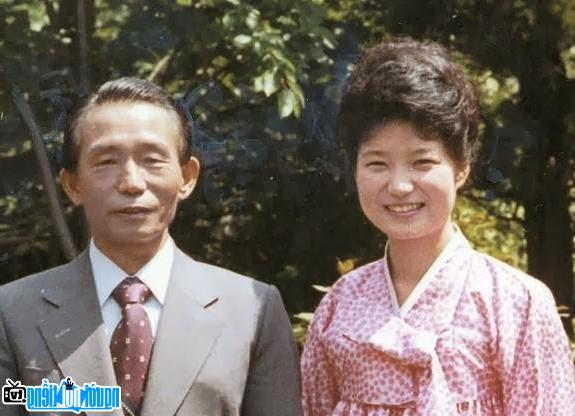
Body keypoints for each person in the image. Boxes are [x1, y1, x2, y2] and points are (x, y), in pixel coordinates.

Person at [301, 38, 575, 416]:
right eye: (377, 163)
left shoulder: (515, 303)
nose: (399, 186)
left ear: (461, 167)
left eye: (422, 162)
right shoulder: (338, 305)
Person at [0, 77, 303, 416]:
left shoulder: (253, 309)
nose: (131, 182)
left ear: (186, 177)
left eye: (152, 159)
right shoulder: (12, 312)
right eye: (106, 162)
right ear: (72, 185)